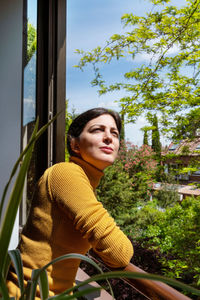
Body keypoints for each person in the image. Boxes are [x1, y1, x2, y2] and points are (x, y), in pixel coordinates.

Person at [7, 107, 134, 299]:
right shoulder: (66, 174)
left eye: (114, 133)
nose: (109, 137)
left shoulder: (84, 183)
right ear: (74, 145)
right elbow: (120, 253)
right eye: (97, 130)